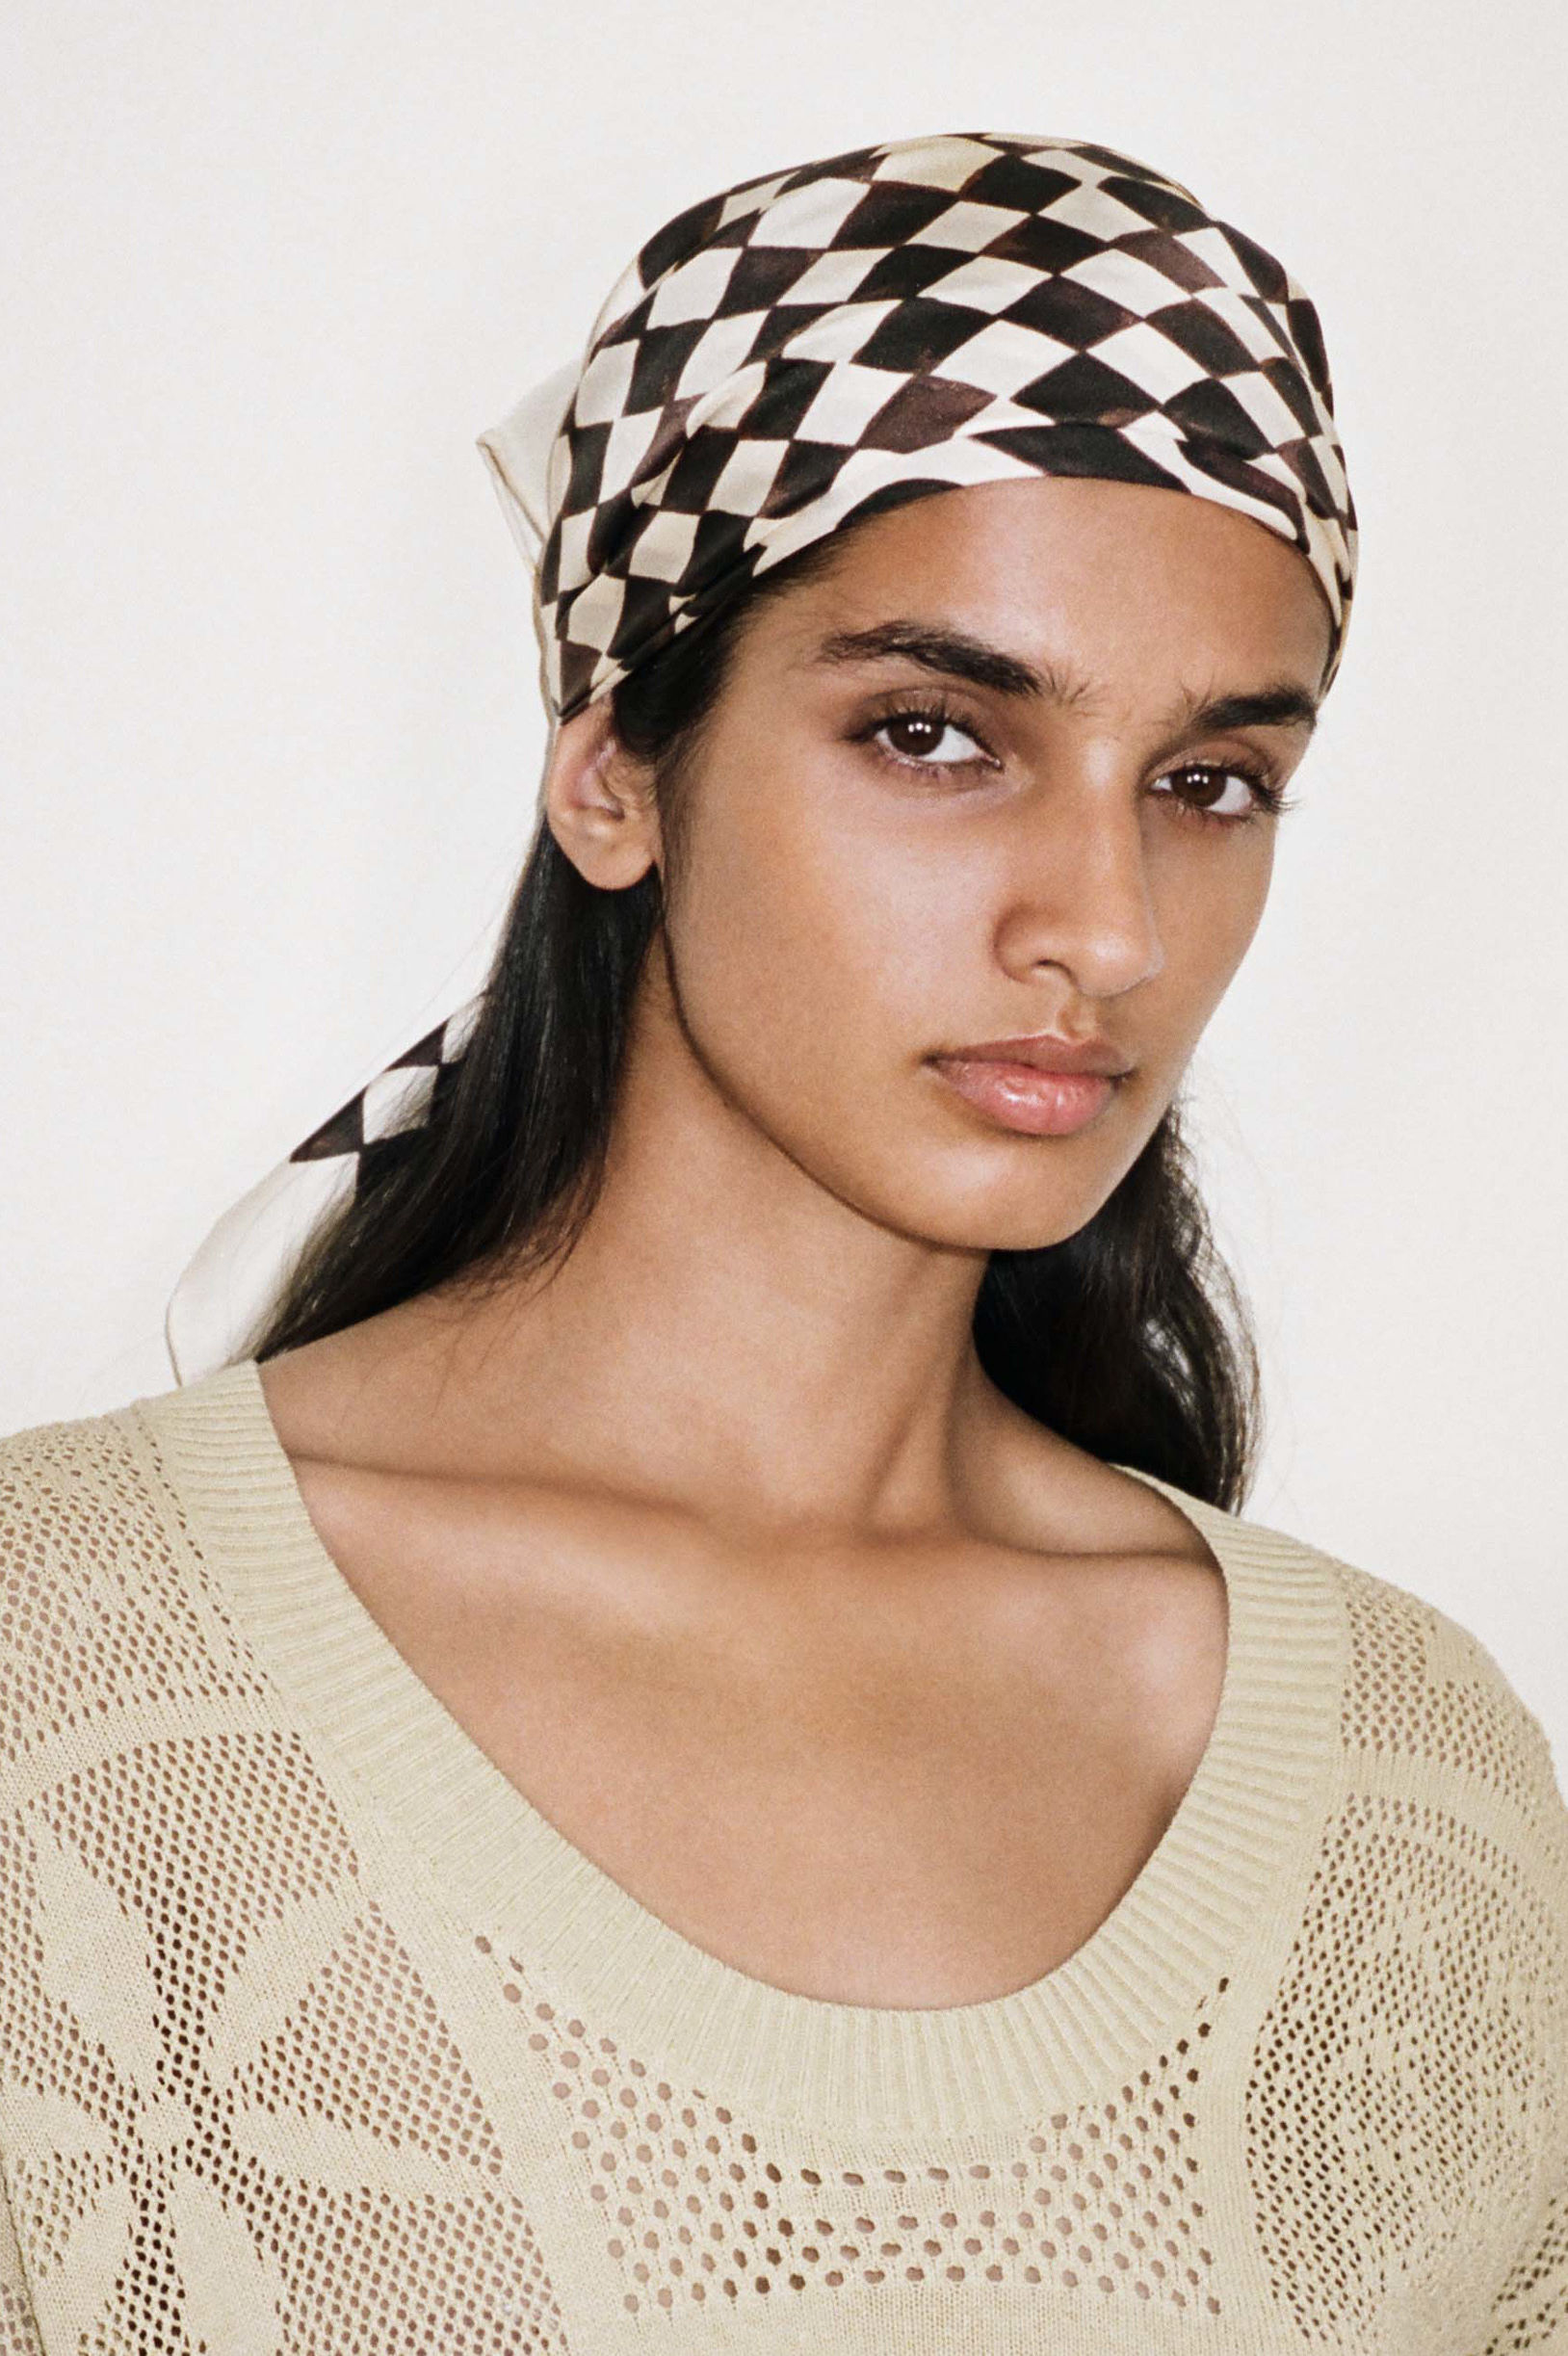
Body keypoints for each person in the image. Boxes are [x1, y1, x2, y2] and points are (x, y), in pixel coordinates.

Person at [2, 129, 1564, 2354]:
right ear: (614, 769)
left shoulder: (1410, 1790)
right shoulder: (63, 1677)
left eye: (1208, 781)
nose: (1108, 927)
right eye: (936, 735)